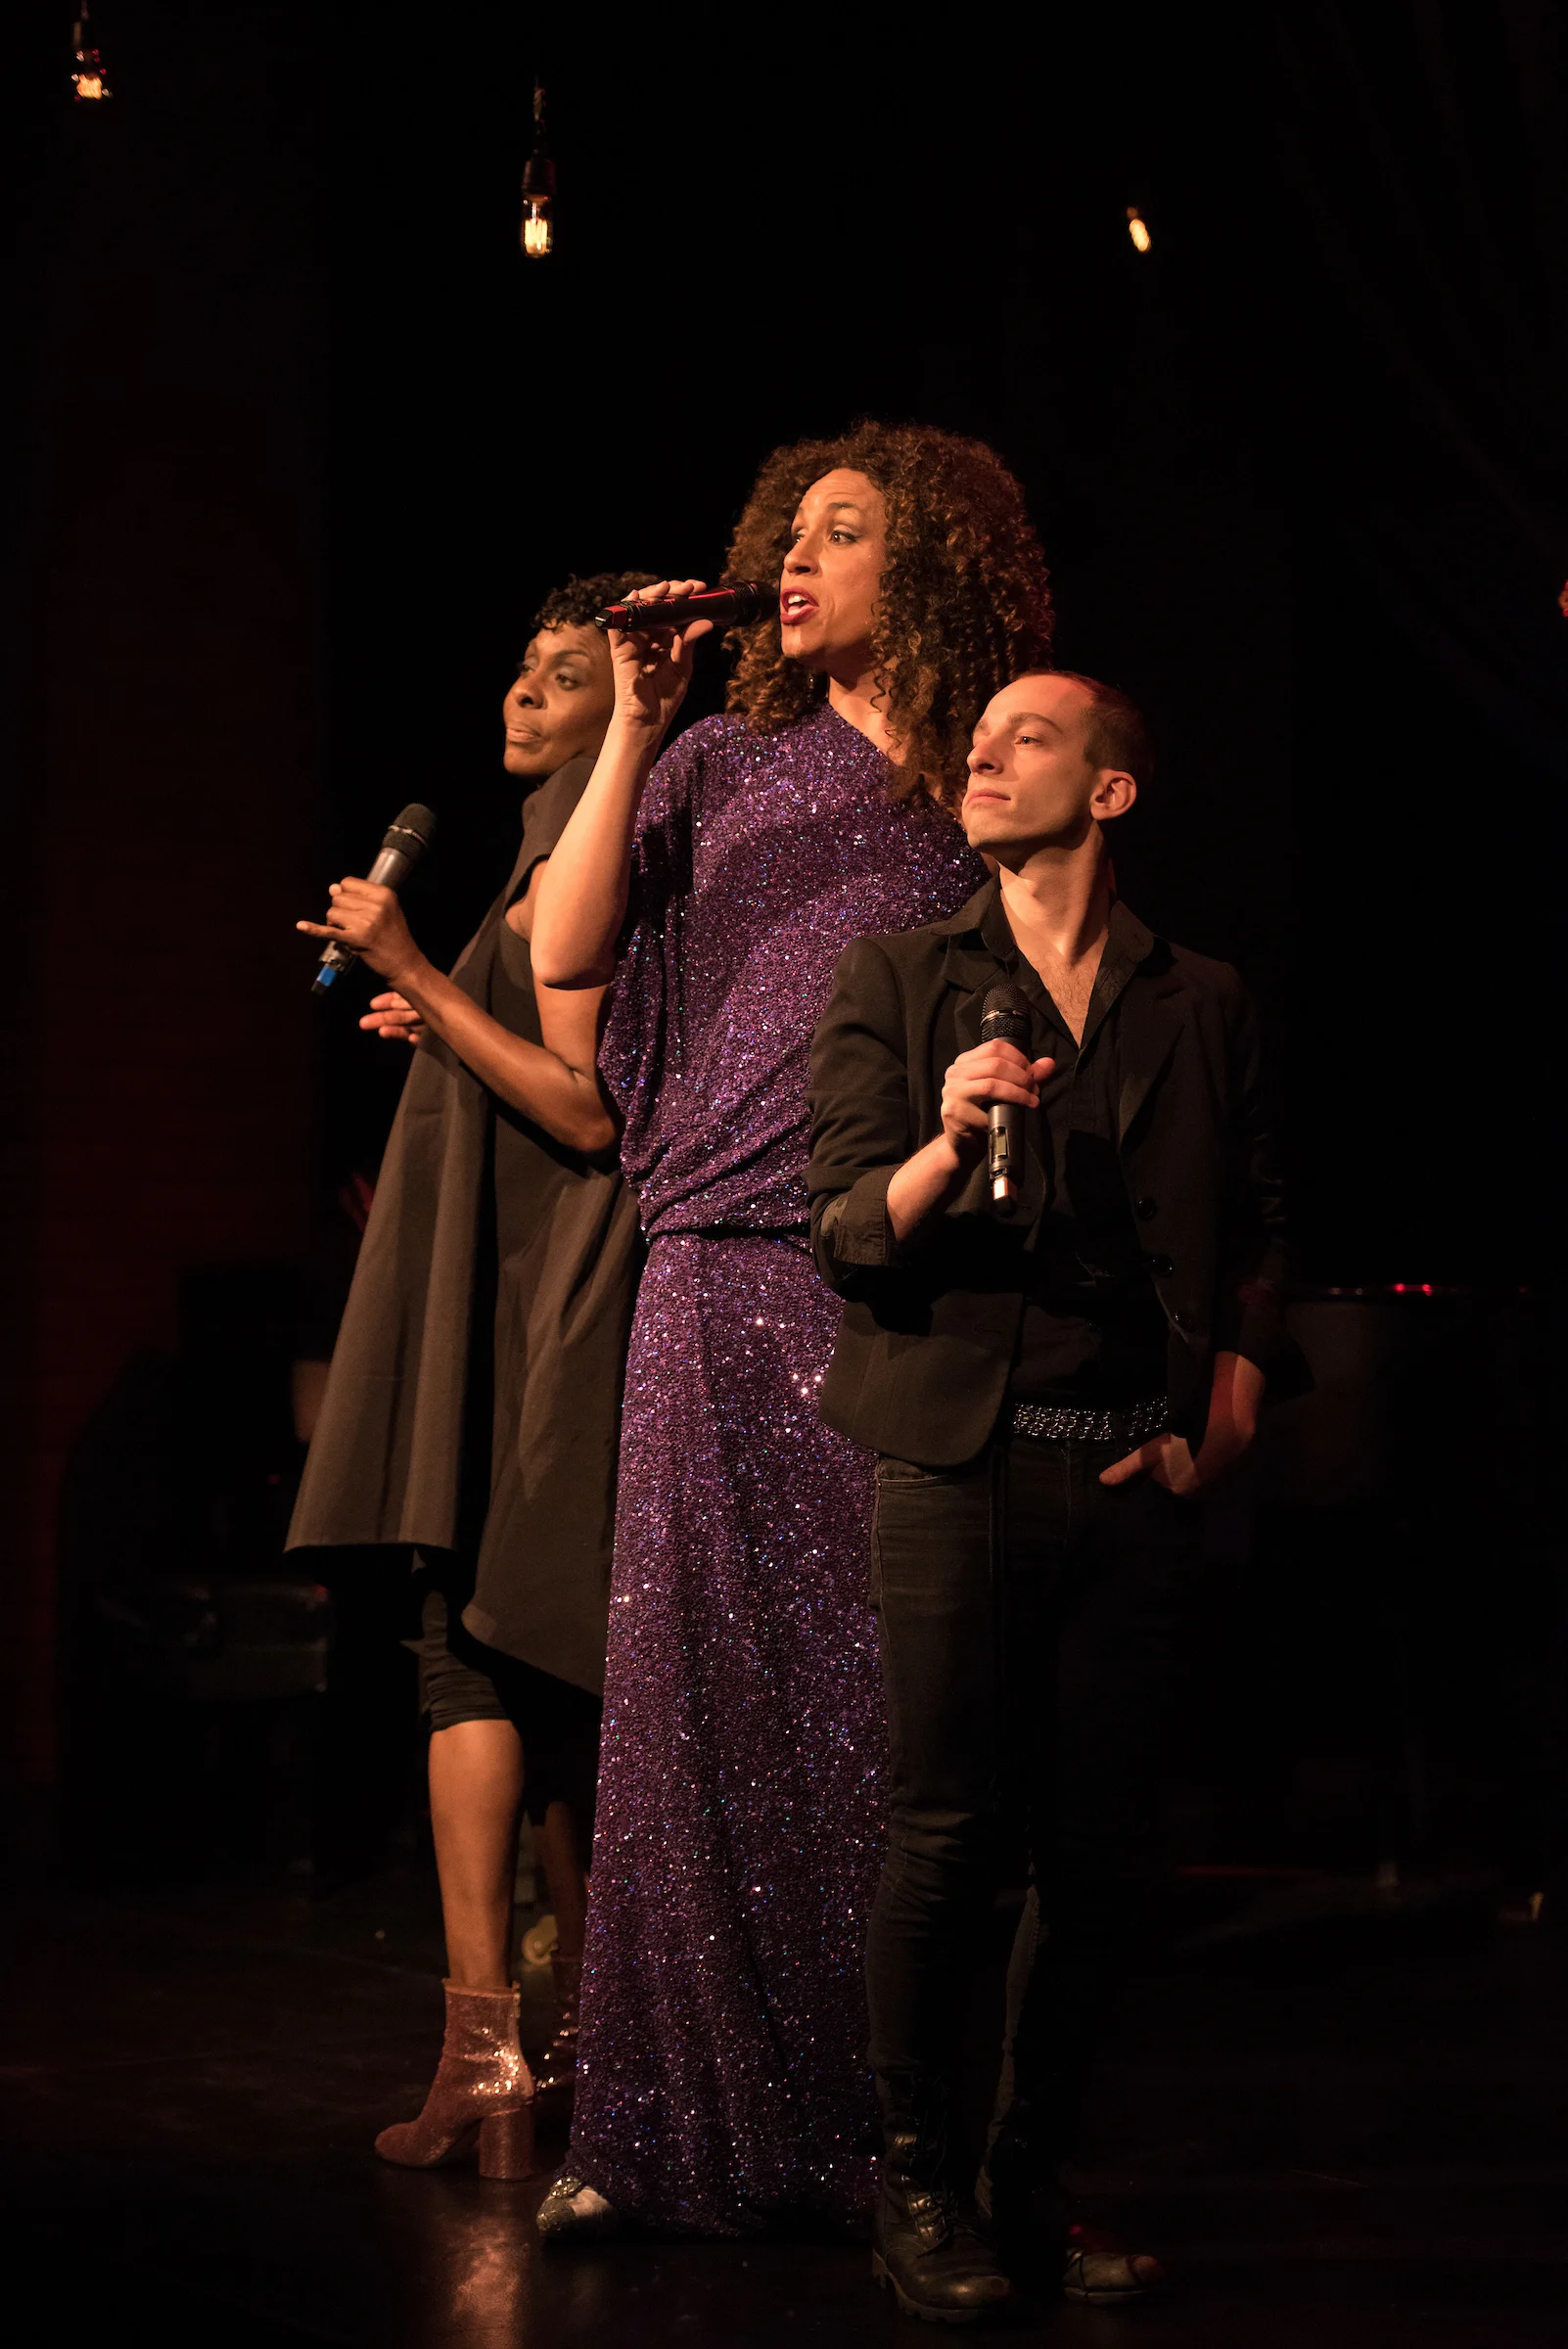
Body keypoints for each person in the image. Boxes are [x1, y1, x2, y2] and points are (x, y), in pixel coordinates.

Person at [527, 426, 1053, 2237]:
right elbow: (566, 955)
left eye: (848, 531)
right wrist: (630, 721)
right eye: (792, 532)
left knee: (895, 1734)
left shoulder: (981, 787)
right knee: (691, 1718)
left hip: (909, 1283)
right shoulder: (716, 760)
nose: (802, 559)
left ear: (937, 569)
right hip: (716, 1274)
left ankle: (893, 2132)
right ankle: (655, 2133)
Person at [807, 669, 1290, 2319]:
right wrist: (944, 1144)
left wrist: (1227, 1408)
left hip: (1126, 1467)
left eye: (1027, 738)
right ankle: (916, 2181)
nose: (983, 756)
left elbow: (1257, 1218)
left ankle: (1029, 2178)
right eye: (977, 739)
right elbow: (841, 1227)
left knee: (1097, 1858)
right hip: (962, 1463)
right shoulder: (899, 977)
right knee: (949, 1830)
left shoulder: (1196, 994)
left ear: (1108, 790)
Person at [287, 573, 653, 2175]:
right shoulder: (541, 850)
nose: (522, 692)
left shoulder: (587, 853)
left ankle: (516, 2060)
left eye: (563, 675)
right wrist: (438, 1019)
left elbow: (588, 1111)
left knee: (492, 1656)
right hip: (506, 1289)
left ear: (627, 707)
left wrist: (419, 972)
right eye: (521, 666)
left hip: (544, 1305)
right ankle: (543, 2059)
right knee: (504, 1662)